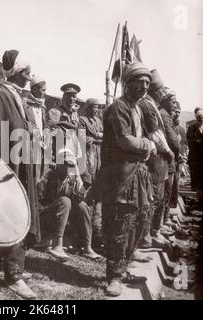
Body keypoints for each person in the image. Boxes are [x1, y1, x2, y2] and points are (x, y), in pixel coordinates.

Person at [0, 49, 40, 299]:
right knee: (14, 213)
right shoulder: (2, 97)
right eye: (26, 71)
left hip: (23, 163)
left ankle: (13, 265)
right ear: (16, 73)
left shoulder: (17, 97)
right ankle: (13, 275)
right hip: (10, 166)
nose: (30, 76)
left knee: (23, 212)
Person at [99, 62, 156, 296]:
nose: (144, 87)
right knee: (119, 226)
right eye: (139, 82)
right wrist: (148, 145)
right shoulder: (118, 108)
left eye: (147, 83)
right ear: (127, 83)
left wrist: (145, 146)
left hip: (138, 175)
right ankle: (113, 276)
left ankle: (124, 268)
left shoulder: (137, 109)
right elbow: (125, 140)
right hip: (119, 177)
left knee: (139, 222)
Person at [37, 148, 102, 261]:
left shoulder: (72, 178)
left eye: (70, 164)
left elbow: (82, 198)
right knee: (65, 201)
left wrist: (77, 174)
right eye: (64, 163)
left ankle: (87, 247)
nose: (67, 167)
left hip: (63, 220)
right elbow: (38, 205)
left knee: (82, 205)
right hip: (45, 220)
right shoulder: (49, 176)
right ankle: (58, 244)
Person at [137, 69, 175, 249]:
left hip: (159, 161)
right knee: (151, 199)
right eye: (160, 92)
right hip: (154, 160)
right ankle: (145, 236)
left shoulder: (152, 105)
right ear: (154, 91)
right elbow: (155, 133)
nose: (162, 95)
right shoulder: (147, 105)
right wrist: (168, 150)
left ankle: (152, 232)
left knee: (158, 197)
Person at [79, 98, 103, 248]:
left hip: (99, 157)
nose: (95, 109)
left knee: (97, 195)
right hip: (87, 157)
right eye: (93, 107)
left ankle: (96, 231)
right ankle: (84, 235)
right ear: (87, 107)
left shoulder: (98, 120)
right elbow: (81, 138)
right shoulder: (82, 120)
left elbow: (104, 135)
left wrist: (98, 138)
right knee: (87, 194)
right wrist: (97, 138)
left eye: (97, 107)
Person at [159, 89, 180, 228]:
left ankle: (163, 222)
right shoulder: (165, 115)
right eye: (172, 102)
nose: (174, 105)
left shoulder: (165, 114)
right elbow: (173, 141)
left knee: (167, 192)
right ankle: (160, 225)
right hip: (168, 159)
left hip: (169, 159)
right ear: (165, 101)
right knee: (165, 192)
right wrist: (178, 153)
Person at [24, 74, 47, 183]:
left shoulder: (42, 107)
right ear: (33, 89)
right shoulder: (25, 105)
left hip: (40, 146)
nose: (44, 93)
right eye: (42, 90)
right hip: (29, 146)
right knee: (29, 176)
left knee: (39, 175)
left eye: (45, 90)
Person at [170, 103, 188, 208]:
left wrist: (184, 154)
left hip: (179, 160)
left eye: (178, 112)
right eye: (175, 111)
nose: (176, 114)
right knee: (169, 185)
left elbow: (185, 144)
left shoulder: (181, 129)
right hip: (170, 159)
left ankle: (173, 206)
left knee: (176, 184)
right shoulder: (168, 127)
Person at [187, 107, 203, 208]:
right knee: (198, 182)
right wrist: (198, 141)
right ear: (196, 117)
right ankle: (199, 201)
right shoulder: (191, 128)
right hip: (196, 159)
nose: (201, 119)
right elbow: (190, 142)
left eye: (202, 117)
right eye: (199, 117)